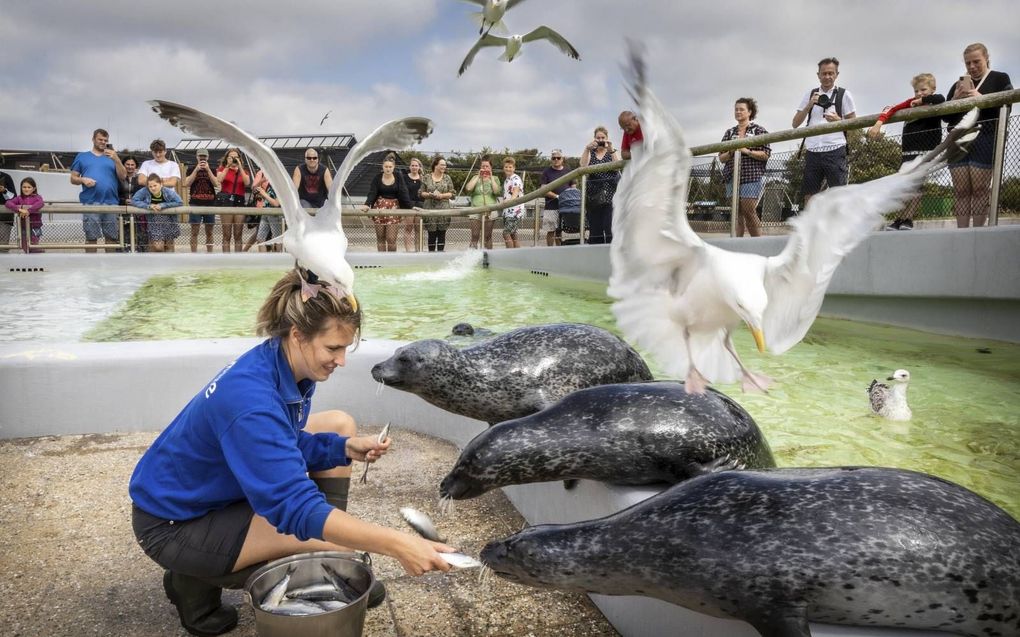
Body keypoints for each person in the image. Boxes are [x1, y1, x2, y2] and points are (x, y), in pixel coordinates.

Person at [129, 270, 453, 636]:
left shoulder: (284, 362)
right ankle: (192, 580)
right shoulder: (251, 400)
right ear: (298, 335)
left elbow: (281, 440)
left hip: (209, 495)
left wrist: (341, 448)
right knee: (323, 546)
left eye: (346, 348)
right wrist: (399, 544)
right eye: (333, 348)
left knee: (338, 427)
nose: (341, 360)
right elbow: (293, 507)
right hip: (174, 526)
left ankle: (316, 551)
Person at [944, 42, 1013, 228]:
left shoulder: (1000, 78)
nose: (972, 67)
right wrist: (954, 100)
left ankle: (978, 232)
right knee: (961, 190)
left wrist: (980, 98)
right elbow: (945, 117)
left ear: (986, 59)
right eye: (968, 63)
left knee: (980, 189)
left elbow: (1007, 104)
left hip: (986, 136)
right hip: (958, 139)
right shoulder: (958, 84)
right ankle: (962, 233)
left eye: (976, 62)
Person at [868, 73, 946, 230]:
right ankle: (900, 219)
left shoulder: (934, 101)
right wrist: (878, 123)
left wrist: (923, 100)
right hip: (908, 153)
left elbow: (941, 99)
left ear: (932, 89)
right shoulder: (911, 103)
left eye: (923, 90)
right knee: (904, 186)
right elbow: (891, 108)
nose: (919, 94)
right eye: (916, 91)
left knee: (916, 186)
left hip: (925, 152)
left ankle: (907, 219)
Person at [792, 57, 857, 207]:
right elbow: (795, 123)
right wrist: (809, 105)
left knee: (838, 193)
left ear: (836, 74)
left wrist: (838, 121)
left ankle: (839, 228)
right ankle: (810, 228)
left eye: (831, 73)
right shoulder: (810, 94)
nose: (827, 77)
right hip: (813, 149)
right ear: (818, 75)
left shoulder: (844, 94)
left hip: (835, 148)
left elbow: (854, 124)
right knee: (809, 193)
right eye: (824, 73)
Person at [718, 97, 771, 237]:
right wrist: (731, 151)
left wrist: (746, 150)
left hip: (751, 176)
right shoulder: (729, 132)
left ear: (750, 112)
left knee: (748, 210)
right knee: (737, 213)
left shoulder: (759, 130)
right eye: (736, 109)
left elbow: (766, 154)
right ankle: (737, 245)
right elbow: (721, 157)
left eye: (741, 109)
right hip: (731, 176)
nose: (738, 112)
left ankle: (758, 244)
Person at [70, 128, 127, 253]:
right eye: (100, 139)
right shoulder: (82, 156)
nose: (103, 142)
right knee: (91, 238)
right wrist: (83, 180)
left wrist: (117, 159)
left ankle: (110, 270)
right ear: (93, 139)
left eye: (105, 140)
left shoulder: (113, 157)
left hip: (111, 203)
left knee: (112, 239)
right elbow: (73, 178)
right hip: (91, 203)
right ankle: (91, 268)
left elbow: (123, 176)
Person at [579, 125, 621, 244]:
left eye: (603, 138)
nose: (601, 140)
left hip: (610, 197)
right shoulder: (591, 152)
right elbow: (583, 166)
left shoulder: (611, 152)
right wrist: (587, 149)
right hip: (594, 198)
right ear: (594, 139)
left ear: (607, 138)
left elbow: (617, 166)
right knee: (595, 230)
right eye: (598, 138)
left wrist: (611, 148)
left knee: (610, 228)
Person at [362, 154, 412, 252]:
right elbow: (372, 193)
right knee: (380, 238)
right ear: (382, 167)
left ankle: (391, 260)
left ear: (393, 167)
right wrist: (367, 204)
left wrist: (410, 207)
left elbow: (403, 192)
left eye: (390, 167)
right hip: (379, 210)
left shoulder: (398, 177)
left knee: (391, 239)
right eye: (386, 166)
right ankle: (382, 261)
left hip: (393, 210)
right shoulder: (377, 178)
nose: (388, 169)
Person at [131, 174, 183, 252]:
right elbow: (134, 200)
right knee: (158, 247)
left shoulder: (167, 191)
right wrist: (148, 206)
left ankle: (169, 263)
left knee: (169, 246)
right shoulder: (144, 191)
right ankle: (157, 261)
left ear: (161, 184)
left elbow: (179, 202)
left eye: (155, 185)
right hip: (153, 221)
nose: (153, 188)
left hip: (169, 221)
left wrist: (163, 205)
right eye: (150, 186)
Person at [185, 149, 220, 252]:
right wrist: (196, 169)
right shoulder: (191, 169)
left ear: (208, 158)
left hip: (210, 204)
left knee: (209, 231)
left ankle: (210, 254)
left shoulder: (212, 169)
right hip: (195, 203)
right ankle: (194, 254)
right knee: (194, 231)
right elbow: (187, 183)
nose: (202, 159)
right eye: (200, 156)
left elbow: (216, 184)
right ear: (197, 157)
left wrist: (208, 170)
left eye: (204, 157)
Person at [216, 148, 251, 253]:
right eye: (230, 156)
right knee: (226, 234)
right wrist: (228, 166)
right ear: (227, 158)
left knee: (238, 234)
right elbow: (219, 179)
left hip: (239, 200)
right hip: (226, 201)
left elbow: (247, 182)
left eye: (235, 157)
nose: (233, 159)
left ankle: (238, 259)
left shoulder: (243, 171)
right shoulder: (222, 168)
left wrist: (239, 166)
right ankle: (226, 259)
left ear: (239, 158)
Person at [465, 155, 501, 249]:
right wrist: (478, 176)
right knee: (475, 235)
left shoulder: (495, 178)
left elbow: (497, 191)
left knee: (487, 236)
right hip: (475, 210)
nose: (484, 168)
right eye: (483, 166)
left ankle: (487, 258)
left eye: (487, 166)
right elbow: (468, 188)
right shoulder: (475, 177)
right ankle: (472, 258)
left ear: (490, 167)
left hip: (490, 210)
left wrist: (491, 177)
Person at [244, 169, 283, 252]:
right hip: (265, 212)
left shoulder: (279, 186)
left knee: (276, 239)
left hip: (274, 214)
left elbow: (276, 203)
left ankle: (278, 260)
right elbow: (254, 189)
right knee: (260, 238)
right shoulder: (270, 184)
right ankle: (263, 260)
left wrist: (263, 193)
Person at [420, 156, 454, 252]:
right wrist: (430, 195)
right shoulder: (426, 177)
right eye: (442, 165)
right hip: (430, 209)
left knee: (442, 235)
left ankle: (440, 256)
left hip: (444, 210)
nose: (444, 166)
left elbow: (452, 193)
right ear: (436, 165)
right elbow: (421, 192)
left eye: (445, 165)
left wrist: (442, 196)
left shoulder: (447, 178)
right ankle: (431, 256)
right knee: (431, 235)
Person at [4, 177, 45, 253]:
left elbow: (40, 203)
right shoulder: (19, 198)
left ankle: (36, 261)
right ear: (21, 188)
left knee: (34, 245)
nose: (26, 189)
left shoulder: (37, 197)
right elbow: (7, 203)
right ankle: (28, 262)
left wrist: (28, 211)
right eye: (24, 187)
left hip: (35, 227)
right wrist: (19, 209)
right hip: (23, 227)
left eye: (29, 187)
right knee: (24, 246)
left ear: (34, 188)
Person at [539, 150, 569, 246]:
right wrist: (557, 196)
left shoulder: (568, 171)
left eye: (558, 157)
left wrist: (567, 198)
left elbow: (573, 187)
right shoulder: (546, 172)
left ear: (562, 159)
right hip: (551, 206)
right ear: (551, 159)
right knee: (551, 231)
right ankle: (550, 251)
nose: (556, 159)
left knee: (560, 231)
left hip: (565, 206)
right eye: (553, 158)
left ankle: (559, 251)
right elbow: (543, 188)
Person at [120, 155, 148, 251]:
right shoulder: (119, 179)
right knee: (124, 236)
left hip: (138, 212)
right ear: (123, 165)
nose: (130, 166)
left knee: (141, 235)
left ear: (136, 166)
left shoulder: (140, 179)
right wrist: (123, 201)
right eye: (127, 164)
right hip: (122, 212)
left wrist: (137, 202)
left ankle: (142, 256)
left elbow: (145, 194)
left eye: (132, 164)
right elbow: (114, 194)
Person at [500, 156, 525, 249]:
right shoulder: (507, 180)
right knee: (513, 234)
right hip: (507, 210)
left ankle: (509, 254)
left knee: (506, 233)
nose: (508, 169)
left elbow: (515, 194)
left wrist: (508, 202)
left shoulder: (516, 179)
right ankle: (517, 255)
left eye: (510, 167)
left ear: (514, 168)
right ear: (503, 168)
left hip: (515, 210)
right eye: (506, 167)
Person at [402, 158, 425, 252]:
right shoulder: (404, 177)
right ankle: (408, 251)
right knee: (408, 228)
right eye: (412, 165)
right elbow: (402, 192)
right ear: (410, 167)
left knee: (418, 230)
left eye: (416, 165)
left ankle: (418, 250)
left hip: (420, 206)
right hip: (409, 206)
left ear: (419, 167)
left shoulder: (423, 178)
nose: (414, 167)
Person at [0, 169, 16, 251]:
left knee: (3, 247)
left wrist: (4, 191)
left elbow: (14, 198)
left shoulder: (6, 177)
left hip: (4, 218)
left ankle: (3, 263)